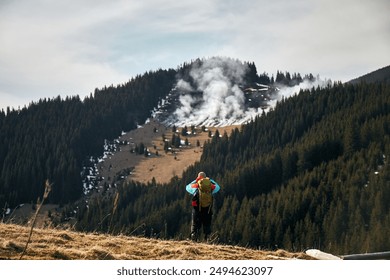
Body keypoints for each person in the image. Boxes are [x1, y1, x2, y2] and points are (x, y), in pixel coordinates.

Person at [185, 171, 220, 241]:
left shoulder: (196, 186)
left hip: (197, 210)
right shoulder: (210, 187)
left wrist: (196, 180)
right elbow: (218, 187)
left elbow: (187, 187)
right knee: (207, 225)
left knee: (195, 225)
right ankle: (207, 239)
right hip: (208, 210)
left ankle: (194, 239)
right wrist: (210, 180)